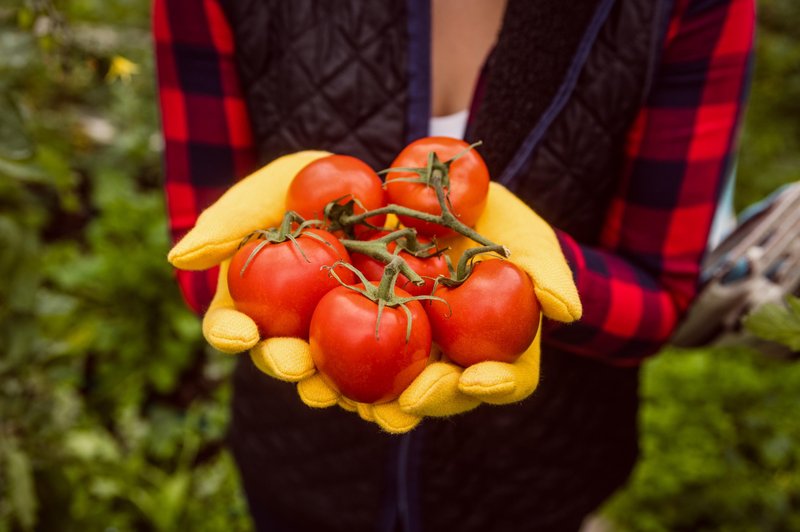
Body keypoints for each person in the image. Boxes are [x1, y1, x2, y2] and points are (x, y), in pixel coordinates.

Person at [153, 0, 755, 530]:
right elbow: (200, 254)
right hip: (300, 470)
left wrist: (533, 271)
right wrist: (256, 266)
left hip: (532, 480)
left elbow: (658, 300)